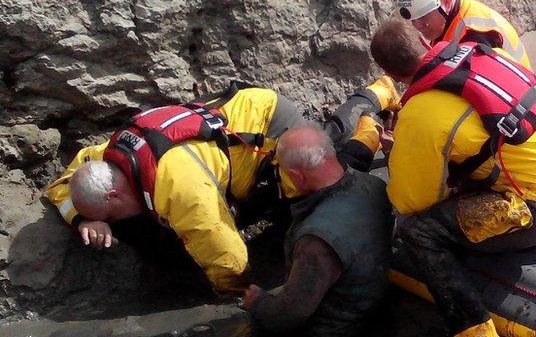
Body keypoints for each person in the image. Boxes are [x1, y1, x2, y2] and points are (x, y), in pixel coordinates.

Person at [370, 18, 536, 337]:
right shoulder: (482, 55)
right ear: (427, 43)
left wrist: (398, 153)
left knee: (419, 232)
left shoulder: (421, 113)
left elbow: (411, 203)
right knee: (481, 162)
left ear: (392, 76)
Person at [44, 78, 400, 293]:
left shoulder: (179, 187)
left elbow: (231, 261)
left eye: (112, 213)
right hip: (232, 144)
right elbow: (61, 184)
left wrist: (235, 296)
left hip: (265, 128)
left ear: (114, 193)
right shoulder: (107, 156)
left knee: (327, 179)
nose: (117, 221)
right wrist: (83, 218)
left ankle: (371, 109)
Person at [243, 125, 393, 337]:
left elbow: (288, 315)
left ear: (298, 176)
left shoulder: (317, 239)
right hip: (375, 305)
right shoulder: (375, 186)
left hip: (333, 335)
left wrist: (257, 301)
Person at [391, 0, 532, 68]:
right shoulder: (451, 19)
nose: (418, 25)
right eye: (413, 19)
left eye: (423, 16)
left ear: (446, 2)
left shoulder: (476, 34)